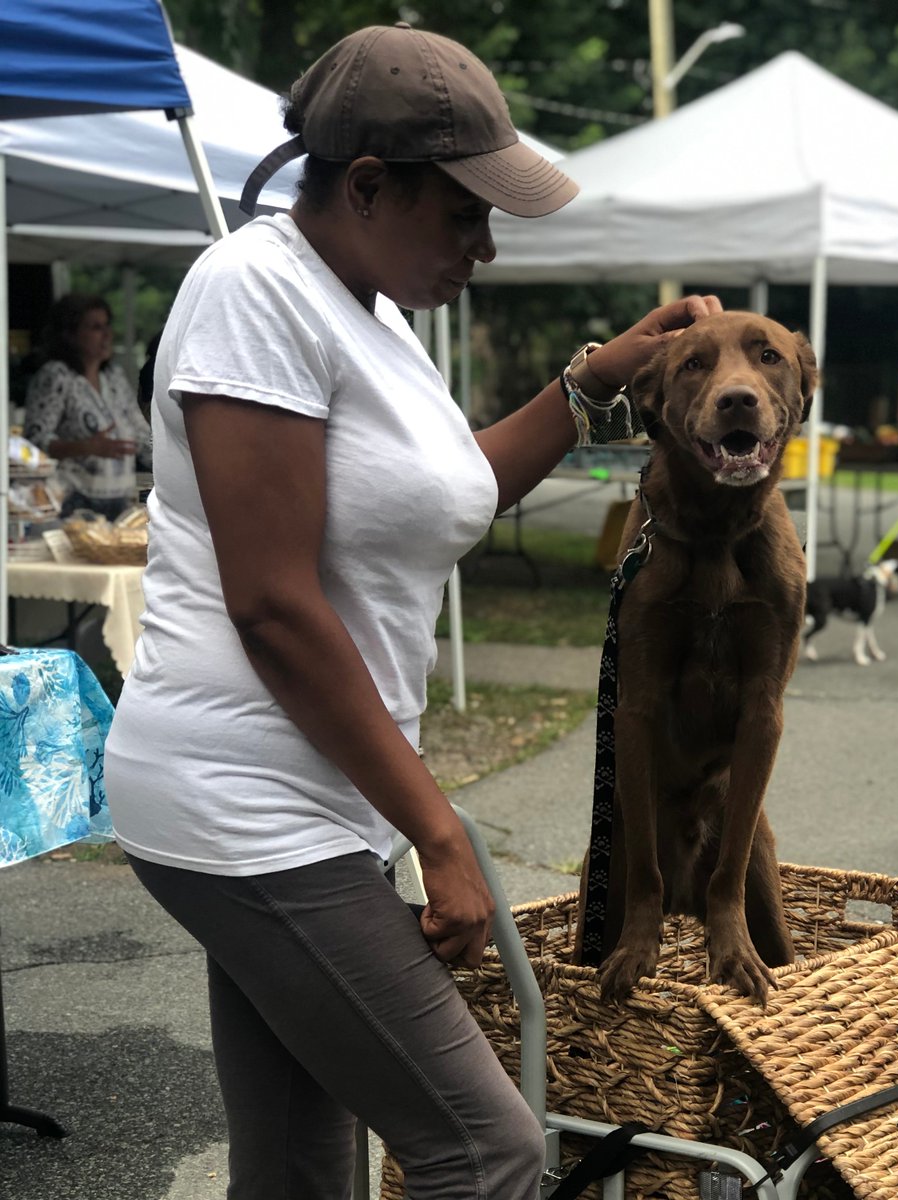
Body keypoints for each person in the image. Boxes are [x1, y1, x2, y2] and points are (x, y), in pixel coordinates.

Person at [102, 22, 721, 1200]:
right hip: (245, 802)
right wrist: (440, 832)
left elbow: (456, 490)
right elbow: (274, 604)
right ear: (370, 185)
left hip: (311, 802)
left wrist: (592, 379)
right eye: (465, 214)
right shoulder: (254, 294)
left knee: (300, 1165)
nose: (485, 247)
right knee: (485, 1149)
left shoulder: (371, 312)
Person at [22, 293, 152, 519]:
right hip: (72, 503)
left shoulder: (113, 377)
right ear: (70, 334)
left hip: (119, 503)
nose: (107, 334)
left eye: (107, 326)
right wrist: (85, 447)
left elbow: (141, 435)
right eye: (96, 327)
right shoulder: (57, 376)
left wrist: (179, 460)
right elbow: (33, 441)